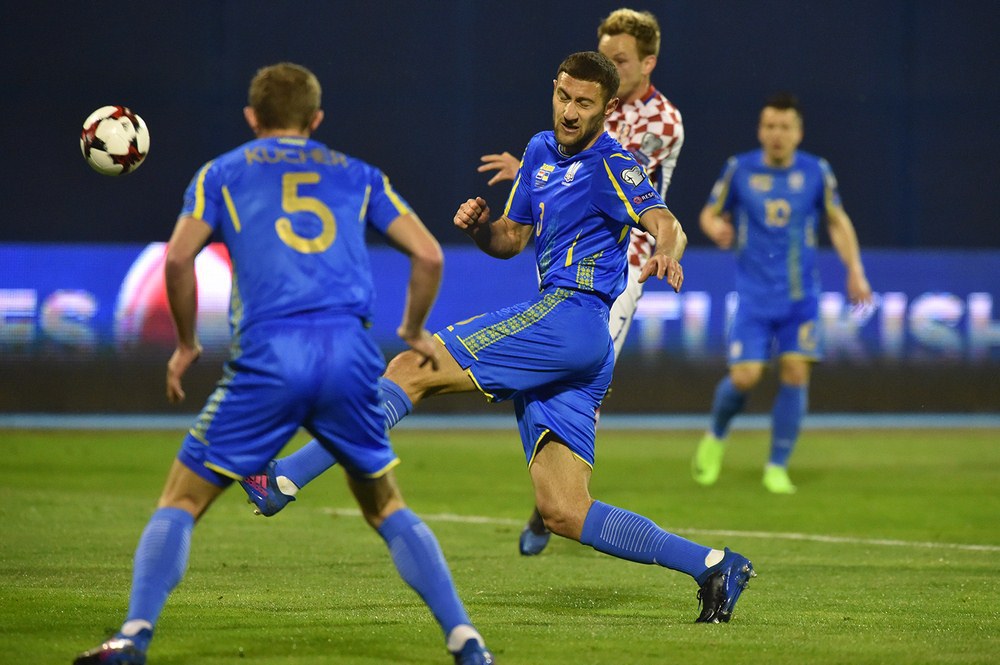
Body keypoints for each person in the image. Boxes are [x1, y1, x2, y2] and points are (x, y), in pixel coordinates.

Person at [247, 51, 756, 625]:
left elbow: (666, 223)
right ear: (554, 88)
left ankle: (281, 477)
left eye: (584, 103)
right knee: (563, 509)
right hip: (574, 344)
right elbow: (512, 237)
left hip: (570, 317)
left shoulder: (614, 162)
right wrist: (481, 229)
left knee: (411, 369)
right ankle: (714, 566)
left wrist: (666, 252)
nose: (569, 111)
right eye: (563, 96)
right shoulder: (539, 151)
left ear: (608, 108)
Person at [74, 62, 494, 665]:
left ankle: (134, 638)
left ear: (252, 118)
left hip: (269, 357)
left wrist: (187, 344)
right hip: (349, 357)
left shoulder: (220, 173)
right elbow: (429, 255)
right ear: (316, 119)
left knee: (182, 501)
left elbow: (178, 260)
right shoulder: (359, 174)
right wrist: (410, 330)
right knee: (386, 507)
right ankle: (467, 642)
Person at [477, 7, 684, 555]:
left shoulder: (662, 121)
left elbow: (611, 172)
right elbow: (566, 158)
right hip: (566, 256)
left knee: (580, 383)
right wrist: (533, 171)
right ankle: (557, 501)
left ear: (647, 64)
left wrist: (548, 167)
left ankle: (557, 506)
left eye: (621, 60)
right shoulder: (578, 111)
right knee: (554, 376)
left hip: (624, 265)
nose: (611, 65)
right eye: (606, 55)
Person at [692, 92, 873, 494]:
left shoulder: (816, 171)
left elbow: (837, 221)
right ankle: (716, 434)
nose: (777, 134)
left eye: (785, 127)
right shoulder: (739, 169)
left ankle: (776, 466)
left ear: (798, 132)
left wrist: (855, 271)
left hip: (801, 297)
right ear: (760, 130)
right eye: (770, 126)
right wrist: (714, 227)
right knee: (745, 376)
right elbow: (708, 212)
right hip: (754, 297)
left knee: (795, 373)